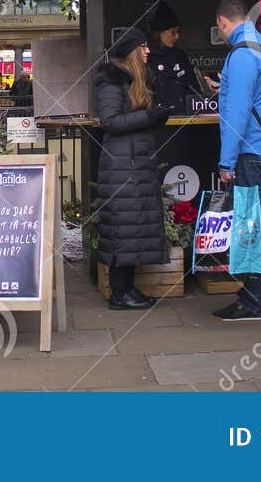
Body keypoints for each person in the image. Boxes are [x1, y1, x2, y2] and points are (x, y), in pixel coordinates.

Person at [212, 0, 261, 321]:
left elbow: (237, 113)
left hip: (251, 155)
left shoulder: (241, 55)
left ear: (223, 22)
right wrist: (225, 88)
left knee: (249, 228)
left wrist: (226, 162)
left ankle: (252, 302)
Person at [92, 25, 171, 310]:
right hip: (121, 166)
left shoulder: (135, 80)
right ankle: (119, 293)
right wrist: (149, 117)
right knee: (122, 230)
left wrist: (156, 116)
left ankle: (128, 290)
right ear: (132, 52)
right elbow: (109, 122)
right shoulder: (111, 82)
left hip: (133, 165)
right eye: (144, 47)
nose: (149, 51)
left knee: (132, 230)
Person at [146, 1, 206, 116]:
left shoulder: (180, 56)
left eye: (178, 32)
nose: (177, 36)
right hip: (158, 122)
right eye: (173, 32)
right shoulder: (147, 58)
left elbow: (194, 90)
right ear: (160, 33)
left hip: (184, 119)